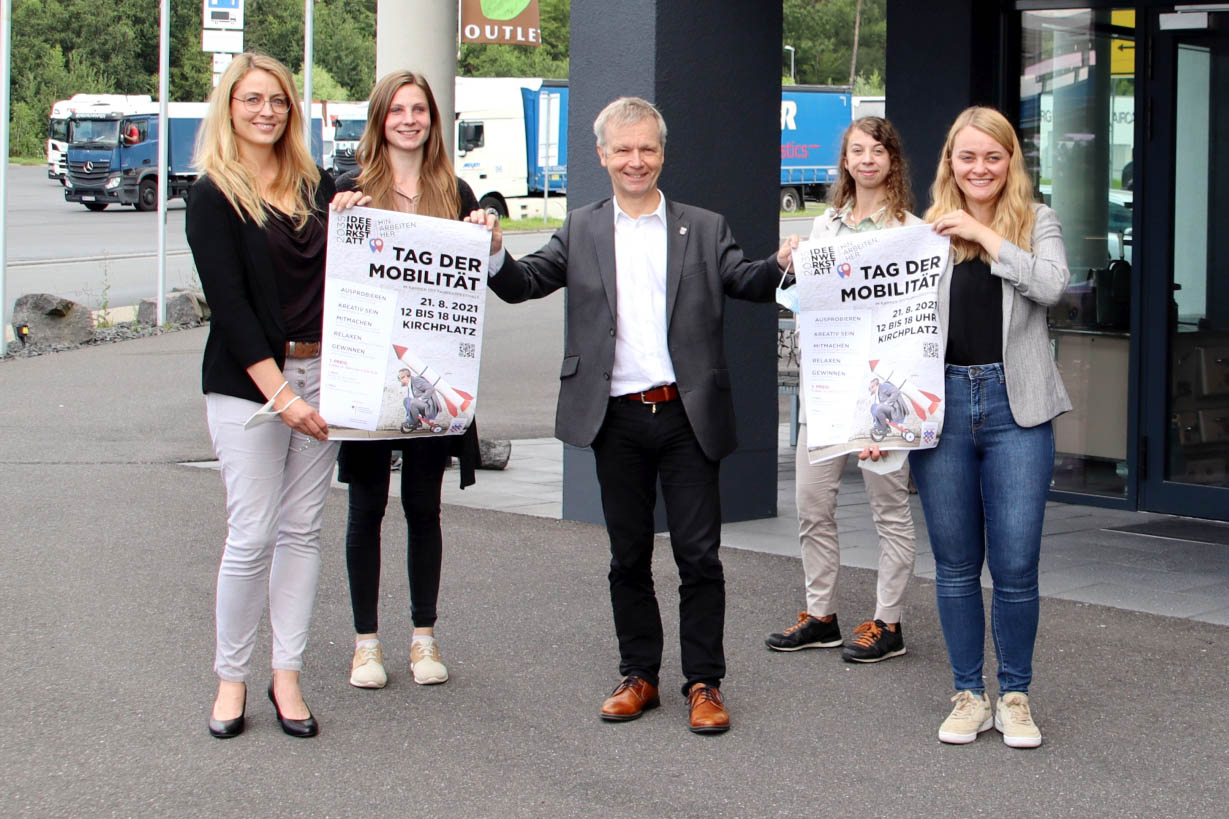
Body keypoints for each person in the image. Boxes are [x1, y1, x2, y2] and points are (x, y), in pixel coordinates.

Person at [469, 96, 795, 735]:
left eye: (646, 148)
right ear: (602, 156)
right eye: (623, 149)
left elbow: (747, 282)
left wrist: (782, 265)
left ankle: (704, 683)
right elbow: (524, 283)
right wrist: (494, 254)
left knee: (700, 557)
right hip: (614, 418)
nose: (635, 160)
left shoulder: (702, 227)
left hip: (685, 415)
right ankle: (638, 674)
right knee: (628, 556)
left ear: (662, 153)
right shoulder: (582, 228)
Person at [188, 53, 364, 739]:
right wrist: (282, 397)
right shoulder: (211, 193)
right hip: (249, 386)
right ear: (229, 106)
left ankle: (285, 675)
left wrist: (351, 210)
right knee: (252, 533)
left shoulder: (315, 184)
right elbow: (228, 307)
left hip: (323, 373)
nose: (266, 111)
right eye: (252, 99)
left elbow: (356, 254)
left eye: (279, 101)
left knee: (301, 531)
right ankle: (231, 680)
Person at [911, 106, 1071, 749]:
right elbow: (883, 331)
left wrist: (984, 234)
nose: (980, 168)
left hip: (1017, 410)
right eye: (967, 156)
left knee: (1016, 564)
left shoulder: (1037, 221)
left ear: (1011, 162)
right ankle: (968, 693)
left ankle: (1015, 696)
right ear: (950, 160)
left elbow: (1055, 285)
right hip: (942, 407)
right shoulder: (919, 233)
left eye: (993, 157)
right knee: (953, 566)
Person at [333, 70, 481, 691]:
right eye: (398, 109)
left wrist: (486, 241)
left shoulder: (457, 191)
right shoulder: (348, 190)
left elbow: (479, 284)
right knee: (365, 509)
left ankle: (424, 637)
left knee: (425, 508)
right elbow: (328, 270)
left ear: (433, 120)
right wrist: (334, 220)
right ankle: (366, 643)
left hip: (432, 372)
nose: (410, 119)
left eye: (420, 109)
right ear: (379, 118)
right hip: (369, 371)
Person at [766, 117, 918, 664]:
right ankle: (821, 614)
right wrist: (790, 265)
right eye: (857, 150)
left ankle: (888, 622)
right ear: (846, 162)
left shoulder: (910, 230)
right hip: (828, 388)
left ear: (893, 160)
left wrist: (889, 420)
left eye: (878, 150)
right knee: (812, 503)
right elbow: (807, 301)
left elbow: (913, 323)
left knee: (888, 509)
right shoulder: (824, 227)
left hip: (883, 395)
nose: (867, 159)